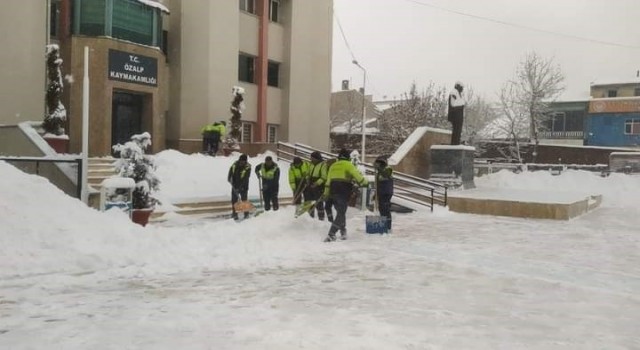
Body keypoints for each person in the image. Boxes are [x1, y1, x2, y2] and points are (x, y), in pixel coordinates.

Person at [323, 148, 368, 242]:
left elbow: (328, 181)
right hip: (343, 191)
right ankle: (332, 234)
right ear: (348, 157)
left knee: (340, 212)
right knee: (341, 213)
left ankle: (343, 231)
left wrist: (326, 194)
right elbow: (358, 178)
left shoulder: (333, 165)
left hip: (332, 191)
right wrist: (365, 183)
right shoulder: (349, 165)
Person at [228, 153, 251, 220]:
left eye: (243, 161)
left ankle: (246, 214)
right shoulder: (235, 164)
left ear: (245, 161)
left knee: (244, 200)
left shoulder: (248, 167)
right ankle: (234, 214)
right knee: (234, 201)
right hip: (234, 185)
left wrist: (240, 188)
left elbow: (245, 178)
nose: (242, 162)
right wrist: (229, 178)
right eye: (241, 161)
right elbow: (230, 172)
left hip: (243, 186)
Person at [374, 156, 394, 233]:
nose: (378, 164)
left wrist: (379, 168)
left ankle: (388, 227)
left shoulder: (388, 168)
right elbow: (378, 184)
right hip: (381, 192)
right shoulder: (378, 172)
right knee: (381, 209)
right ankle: (383, 225)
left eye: (379, 163)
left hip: (386, 192)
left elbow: (386, 175)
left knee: (386, 209)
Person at [307, 151, 329, 220]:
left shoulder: (323, 165)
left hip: (319, 186)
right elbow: (308, 173)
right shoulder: (311, 164)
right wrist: (307, 179)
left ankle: (321, 218)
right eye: (311, 158)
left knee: (319, 203)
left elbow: (324, 177)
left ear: (317, 158)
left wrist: (317, 183)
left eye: (312, 158)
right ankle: (310, 217)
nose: (311, 159)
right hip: (310, 184)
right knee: (309, 202)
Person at [448, 81, 466, 145]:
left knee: (458, 131)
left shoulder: (459, 94)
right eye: (461, 87)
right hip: (455, 116)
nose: (462, 89)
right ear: (458, 87)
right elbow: (453, 104)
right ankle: (454, 143)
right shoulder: (453, 93)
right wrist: (462, 103)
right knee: (456, 131)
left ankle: (456, 143)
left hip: (459, 116)